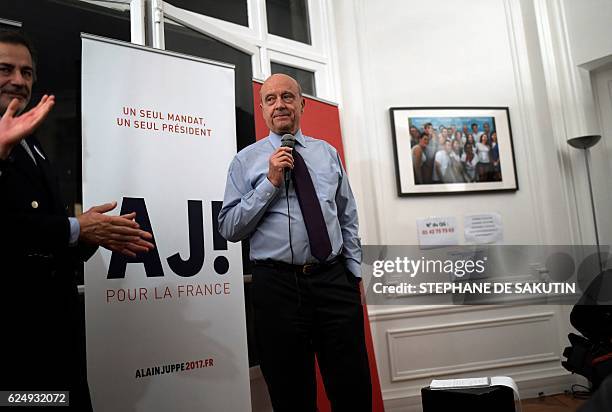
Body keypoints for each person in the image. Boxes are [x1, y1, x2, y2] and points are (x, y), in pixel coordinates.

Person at [0, 30, 154, 410]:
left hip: (55, 337)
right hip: (13, 348)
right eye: (6, 68)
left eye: (28, 72)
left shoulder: (32, 142)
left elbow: (44, 244)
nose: (19, 80)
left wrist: (91, 236)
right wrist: (76, 227)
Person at [218, 73, 371, 411]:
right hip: (277, 289)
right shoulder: (245, 161)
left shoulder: (327, 154)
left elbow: (347, 214)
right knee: (291, 395)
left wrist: (354, 271)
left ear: (302, 105)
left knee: (353, 388)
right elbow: (229, 228)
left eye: (287, 97)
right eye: (270, 99)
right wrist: (270, 182)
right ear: (262, 110)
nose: (280, 105)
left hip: (333, 281)